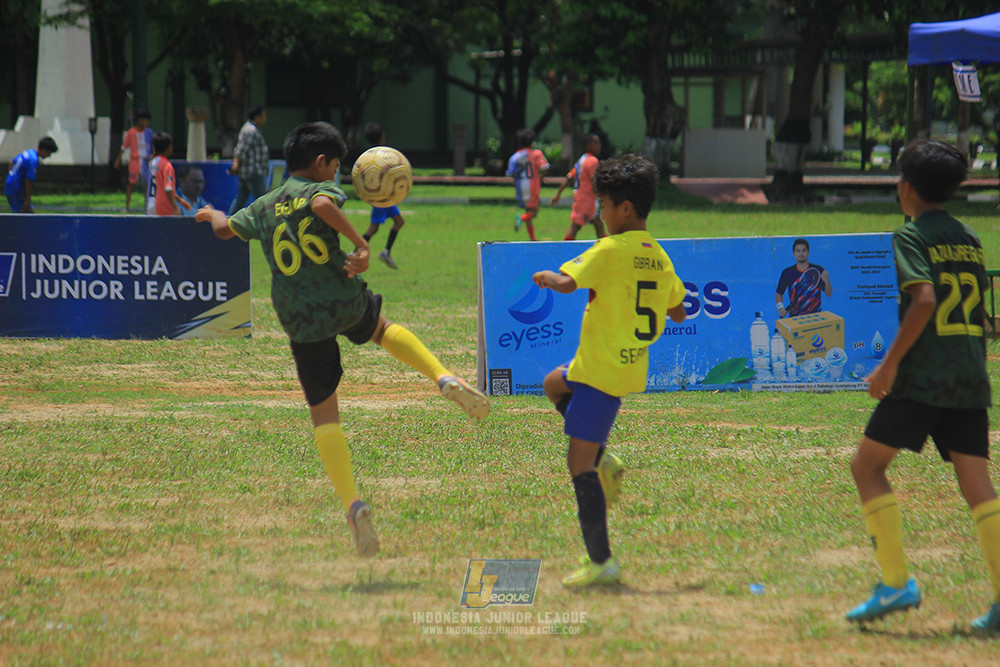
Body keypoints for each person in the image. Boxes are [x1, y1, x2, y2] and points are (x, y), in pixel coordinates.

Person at [196, 122, 490, 558]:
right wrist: (359, 244)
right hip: (339, 296)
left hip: (299, 315)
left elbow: (225, 230)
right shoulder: (320, 191)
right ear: (320, 163)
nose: (335, 175)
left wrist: (211, 214)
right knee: (381, 329)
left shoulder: (264, 203)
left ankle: (353, 505)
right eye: (335, 167)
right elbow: (319, 203)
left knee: (324, 415)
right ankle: (443, 377)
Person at [844, 139, 999, 635]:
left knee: (867, 466)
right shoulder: (969, 238)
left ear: (906, 188)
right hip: (969, 376)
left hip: (924, 377)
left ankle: (895, 583)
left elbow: (926, 300)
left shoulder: (911, 236)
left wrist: (888, 366)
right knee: (979, 489)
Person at [532, 155, 686, 587]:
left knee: (578, 463)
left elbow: (568, 283)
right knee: (552, 384)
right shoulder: (659, 255)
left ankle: (601, 562)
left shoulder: (608, 249)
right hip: (620, 365)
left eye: (603, 205)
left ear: (626, 209)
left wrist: (547, 277)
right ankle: (606, 458)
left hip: (600, 372)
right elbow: (678, 311)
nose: (600, 213)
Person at [360, 122, 405, 269]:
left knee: (399, 222)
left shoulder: (370, 155)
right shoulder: (380, 156)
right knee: (373, 228)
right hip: (381, 197)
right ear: (381, 137)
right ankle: (355, 253)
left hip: (387, 197)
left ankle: (386, 252)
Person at [551, 134, 606, 241]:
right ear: (588, 145)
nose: (599, 146)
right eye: (596, 143)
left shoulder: (582, 159)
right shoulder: (592, 160)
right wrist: (602, 195)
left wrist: (558, 193)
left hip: (582, 196)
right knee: (576, 225)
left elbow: (569, 177)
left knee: (598, 223)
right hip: (586, 198)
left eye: (599, 143)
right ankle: (565, 246)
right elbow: (594, 180)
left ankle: (606, 245)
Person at [506, 128, 549, 241]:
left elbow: (511, 173)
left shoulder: (515, 157)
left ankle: (532, 238)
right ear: (532, 142)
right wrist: (542, 177)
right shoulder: (536, 154)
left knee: (528, 210)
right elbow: (544, 167)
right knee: (534, 212)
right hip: (532, 186)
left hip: (520, 187)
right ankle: (521, 218)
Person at [774, 238, 832, 317]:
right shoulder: (787, 273)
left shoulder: (818, 270)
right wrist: (781, 308)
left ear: (808, 252)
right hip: (795, 319)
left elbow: (829, 293)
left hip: (816, 318)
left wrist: (826, 280)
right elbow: (779, 294)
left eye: (804, 250)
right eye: (798, 251)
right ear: (794, 253)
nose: (801, 253)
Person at [228, 104, 269, 214]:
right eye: (264, 115)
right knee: (263, 201)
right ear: (257, 117)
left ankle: (229, 220)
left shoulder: (252, 129)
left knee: (240, 200)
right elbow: (241, 151)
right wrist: (236, 165)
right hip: (253, 171)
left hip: (247, 172)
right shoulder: (250, 131)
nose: (265, 118)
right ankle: (267, 222)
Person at [113, 108, 153, 212]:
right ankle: (127, 207)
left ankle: (146, 207)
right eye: (146, 120)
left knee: (147, 184)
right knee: (132, 183)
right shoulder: (131, 133)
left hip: (146, 160)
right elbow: (123, 147)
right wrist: (118, 159)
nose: (147, 123)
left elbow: (153, 145)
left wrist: (152, 155)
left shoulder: (149, 132)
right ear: (140, 120)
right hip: (135, 160)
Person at [5, 136, 58, 213]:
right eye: (49, 153)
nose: (49, 156)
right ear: (43, 149)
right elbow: (28, 181)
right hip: (16, 188)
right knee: (23, 212)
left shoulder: (29, 152)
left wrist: (11, 177)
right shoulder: (34, 160)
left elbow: (11, 162)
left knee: (29, 212)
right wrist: (28, 199)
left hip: (12, 184)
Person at [146, 132, 184, 216]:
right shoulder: (167, 165)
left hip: (150, 204)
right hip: (163, 206)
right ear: (168, 147)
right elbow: (168, 188)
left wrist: (180, 200)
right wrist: (175, 207)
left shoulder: (153, 162)